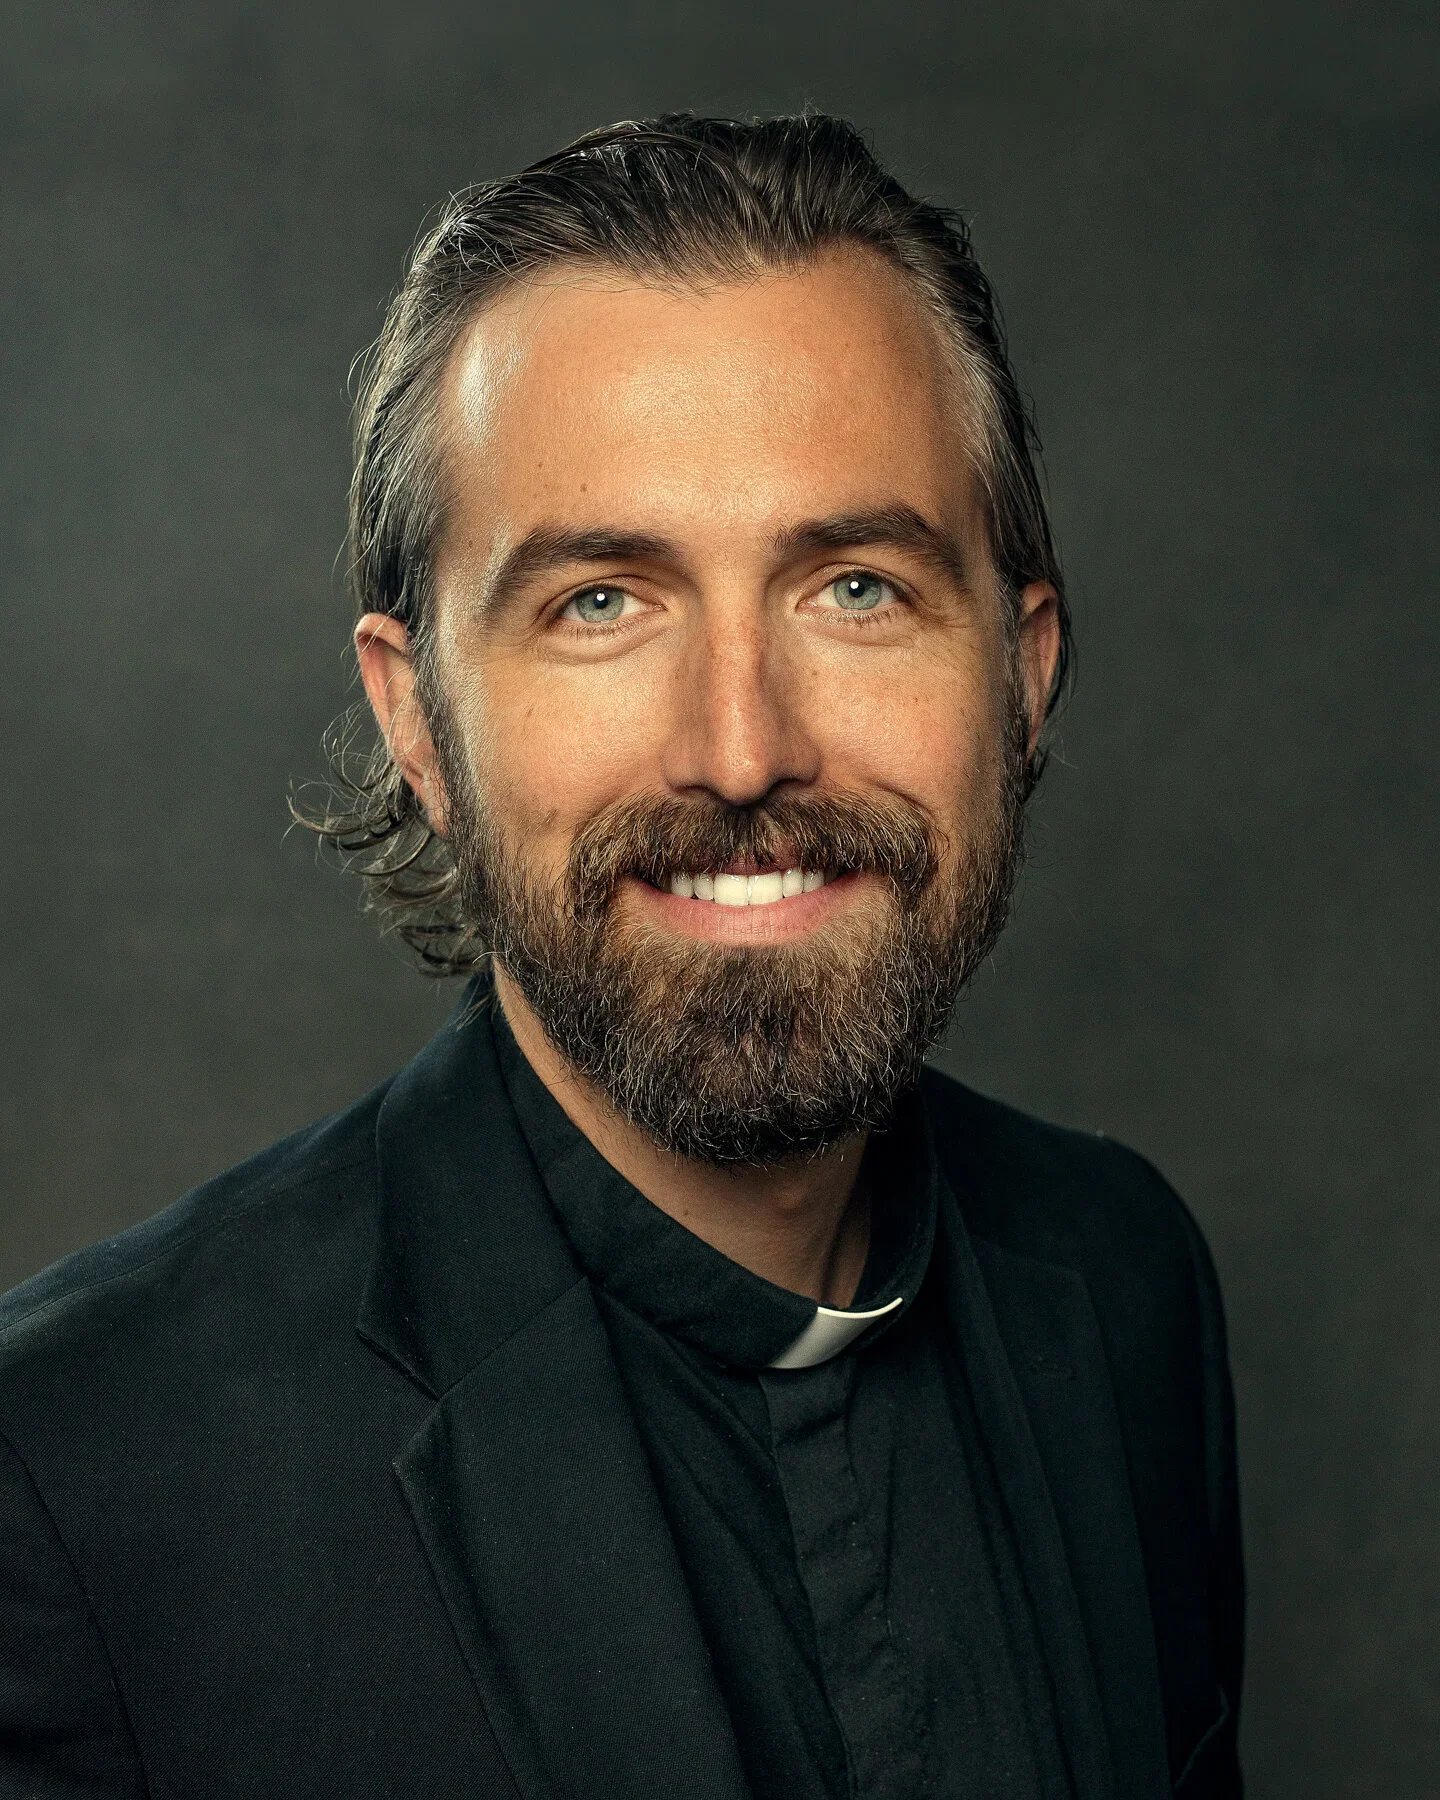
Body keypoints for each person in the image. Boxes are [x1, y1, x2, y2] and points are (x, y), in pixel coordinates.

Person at [0, 114, 1242, 1799]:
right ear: (418, 720)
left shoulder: (1124, 1285)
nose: (742, 749)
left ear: (1022, 676)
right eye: (601, 601)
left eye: (856, 587)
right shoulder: (74, 1472)